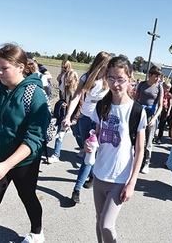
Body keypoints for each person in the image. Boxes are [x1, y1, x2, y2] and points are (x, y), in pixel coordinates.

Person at [0, 44, 51, 243]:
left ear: (21, 67)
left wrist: (7, 165)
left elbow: (35, 138)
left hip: (24, 162)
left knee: (28, 196)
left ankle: (37, 232)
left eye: (4, 68)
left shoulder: (34, 93)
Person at [87, 56, 146, 242]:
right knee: (98, 222)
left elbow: (140, 149)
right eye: (111, 78)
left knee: (106, 224)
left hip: (120, 178)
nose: (115, 84)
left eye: (120, 79)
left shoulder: (136, 111)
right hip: (99, 173)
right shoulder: (101, 105)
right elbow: (96, 136)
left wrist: (132, 182)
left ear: (130, 78)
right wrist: (89, 145)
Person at [62, 51, 112, 203]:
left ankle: (76, 189)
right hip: (85, 118)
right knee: (87, 152)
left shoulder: (109, 80)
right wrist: (68, 116)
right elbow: (76, 97)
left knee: (88, 154)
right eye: (106, 65)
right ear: (100, 64)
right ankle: (90, 174)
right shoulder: (86, 78)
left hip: (100, 121)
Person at [134, 65, 163, 174]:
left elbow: (160, 106)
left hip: (151, 115)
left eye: (159, 77)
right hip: (140, 113)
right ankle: (136, 160)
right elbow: (135, 100)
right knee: (137, 138)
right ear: (150, 75)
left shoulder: (159, 87)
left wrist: (155, 118)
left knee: (148, 141)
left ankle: (146, 162)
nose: (157, 79)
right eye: (156, 76)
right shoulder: (142, 84)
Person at [48, 70, 81, 163]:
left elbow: (80, 106)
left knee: (77, 134)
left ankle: (82, 148)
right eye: (66, 81)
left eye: (70, 81)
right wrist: (62, 103)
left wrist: (75, 119)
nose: (68, 83)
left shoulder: (79, 90)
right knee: (60, 134)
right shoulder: (65, 88)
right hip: (65, 115)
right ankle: (56, 155)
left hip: (75, 116)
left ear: (75, 80)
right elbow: (62, 98)